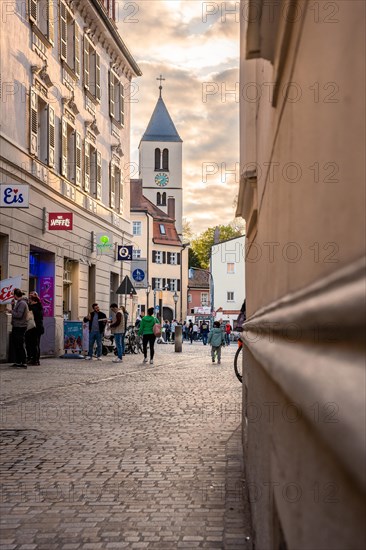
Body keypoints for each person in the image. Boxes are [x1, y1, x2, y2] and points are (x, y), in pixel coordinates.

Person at [8, 288, 28, 368]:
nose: (13, 296)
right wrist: (13, 306)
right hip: (17, 326)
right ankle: (18, 361)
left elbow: (19, 315)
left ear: (16, 295)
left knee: (20, 344)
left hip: (20, 326)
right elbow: (17, 313)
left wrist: (11, 311)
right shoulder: (19, 303)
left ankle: (23, 362)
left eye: (13, 295)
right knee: (16, 344)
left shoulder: (22, 303)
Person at [25, 294, 44, 365]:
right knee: (36, 344)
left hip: (34, 328)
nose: (29, 301)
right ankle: (36, 359)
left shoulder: (34, 307)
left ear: (33, 300)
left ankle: (34, 359)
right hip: (38, 328)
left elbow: (28, 314)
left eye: (30, 299)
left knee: (33, 344)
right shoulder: (39, 306)